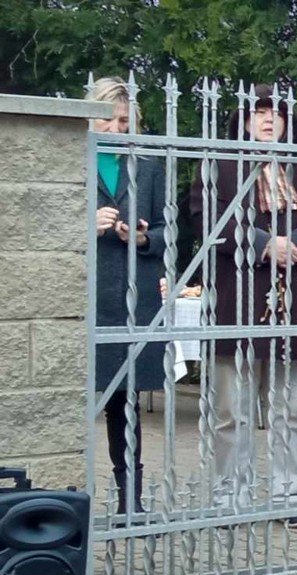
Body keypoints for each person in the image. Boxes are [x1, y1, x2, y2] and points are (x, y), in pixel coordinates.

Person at [191, 84, 297, 522]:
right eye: (260, 112)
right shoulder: (219, 164)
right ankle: (230, 497)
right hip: (236, 300)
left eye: (277, 112)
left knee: (291, 409)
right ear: (244, 120)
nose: (269, 119)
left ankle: (289, 496)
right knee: (231, 410)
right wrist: (262, 243)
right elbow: (205, 220)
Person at [88, 76, 167, 517]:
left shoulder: (148, 165)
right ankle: (60, 498)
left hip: (131, 299)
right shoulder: (69, 156)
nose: (117, 130)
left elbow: (170, 229)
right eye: (110, 120)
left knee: (125, 404)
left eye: (124, 122)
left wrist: (142, 238)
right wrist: (84, 222)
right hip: (84, 298)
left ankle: (129, 500)